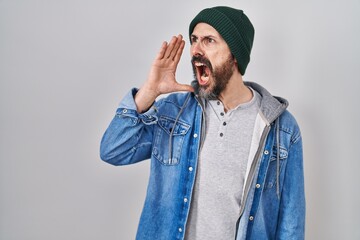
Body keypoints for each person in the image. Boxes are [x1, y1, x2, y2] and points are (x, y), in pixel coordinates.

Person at [100, 6, 305, 240]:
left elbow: (291, 222)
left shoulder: (281, 129)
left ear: (235, 54)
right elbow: (113, 150)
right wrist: (149, 92)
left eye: (209, 40)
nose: (196, 50)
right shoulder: (175, 112)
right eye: (194, 40)